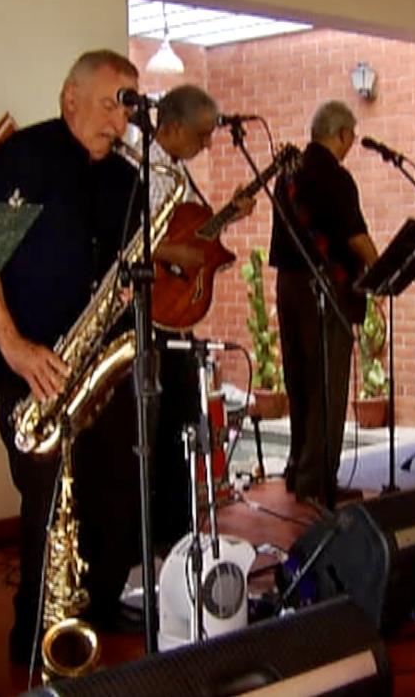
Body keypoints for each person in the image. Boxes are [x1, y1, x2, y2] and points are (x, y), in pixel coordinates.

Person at [0, 50, 149, 665]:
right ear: (69, 97)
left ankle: (88, 624)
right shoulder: (15, 162)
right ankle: (37, 645)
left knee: (113, 501)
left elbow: (127, 268)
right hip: (33, 372)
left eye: (127, 108)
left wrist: (128, 287)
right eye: (107, 105)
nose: (119, 122)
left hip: (101, 368)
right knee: (49, 509)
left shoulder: (130, 178)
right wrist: (16, 348)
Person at [144, 84, 254, 545]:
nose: (207, 144)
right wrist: (173, 254)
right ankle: (160, 537)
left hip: (178, 323)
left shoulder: (178, 172)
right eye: (200, 135)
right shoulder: (139, 167)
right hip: (150, 314)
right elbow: (135, 239)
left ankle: (182, 534)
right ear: (169, 126)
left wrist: (228, 215)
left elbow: (192, 229)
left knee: (182, 425)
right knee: (160, 430)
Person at [270, 100, 377, 506]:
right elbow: (353, 235)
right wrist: (380, 268)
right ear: (344, 134)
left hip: (289, 285)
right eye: (351, 136)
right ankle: (318, 483)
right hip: (325, 287)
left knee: (299, 378)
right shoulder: (335, 176)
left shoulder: (289, 173)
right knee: (327, 385)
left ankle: (300, 469)